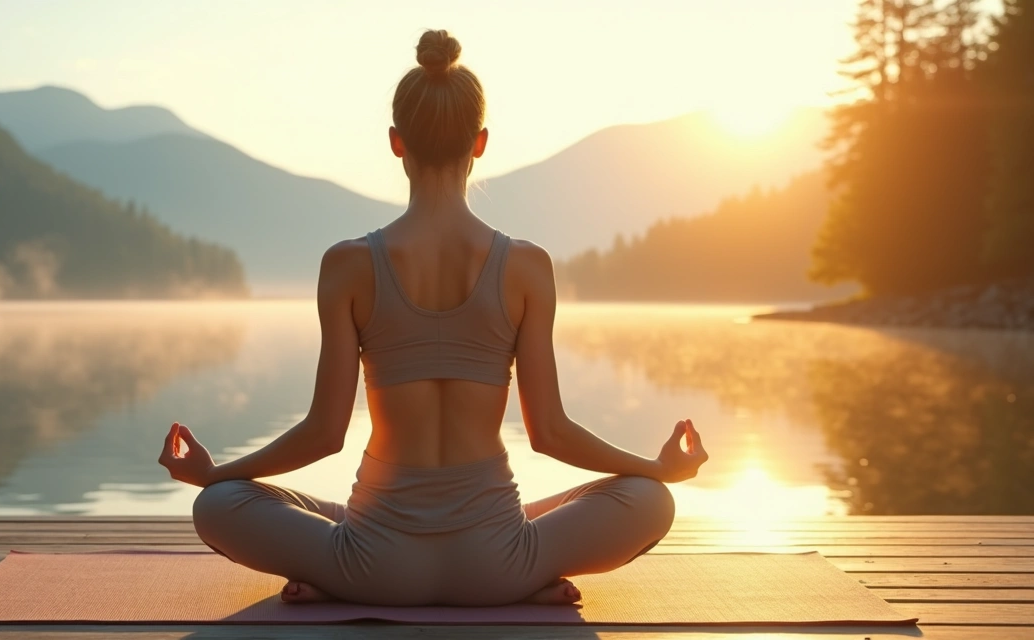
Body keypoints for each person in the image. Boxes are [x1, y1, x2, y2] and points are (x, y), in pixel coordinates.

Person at [158, 29, 709, 608]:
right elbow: (550, 433)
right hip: (499, 565)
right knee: (650, 499)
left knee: (218, 507)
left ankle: (331, 578)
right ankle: (529, 582)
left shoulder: (348, 265)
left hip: (371, 565)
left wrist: (214, 476)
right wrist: (655, 468)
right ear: (481, 143)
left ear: (397, 143)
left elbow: (324, 433)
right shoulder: (526, 266)